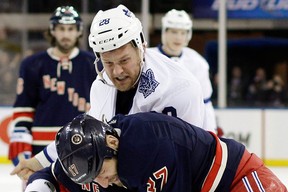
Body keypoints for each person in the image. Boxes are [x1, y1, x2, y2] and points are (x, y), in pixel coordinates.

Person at [11, 4, 208, 179]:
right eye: (108, 63)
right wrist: (37, 163)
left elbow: (192, 159)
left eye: (124, 60)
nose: (117, 72)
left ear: (141, 46)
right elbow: (87, 138)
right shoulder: (100, 86)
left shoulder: (180, 87)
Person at [18, 112, 288, 192]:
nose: (99, 185)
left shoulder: (150, 148)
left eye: (101, 173)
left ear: (113, 144)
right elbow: (50, 177)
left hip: (238, 188)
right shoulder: (92, 166)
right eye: (90, 180)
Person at [8, 6, 97, 192]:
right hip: (39, 150)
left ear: (79, 31)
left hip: (79, 148)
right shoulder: (32, 64)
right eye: (61, 28)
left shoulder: (92, 64)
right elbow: (23, 110)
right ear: (52, 30)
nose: (66, 34)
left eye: (70, 28)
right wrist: (21, 148)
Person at [150, 9, 218, 133]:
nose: (178, 37)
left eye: (183, 33)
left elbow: (206, 104)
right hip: (153, 127)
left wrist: (211, 133)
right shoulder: (148, 58)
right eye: (174, 32)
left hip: (188, 131)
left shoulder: (198, 63)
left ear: (189, 34)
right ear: (165, 32)